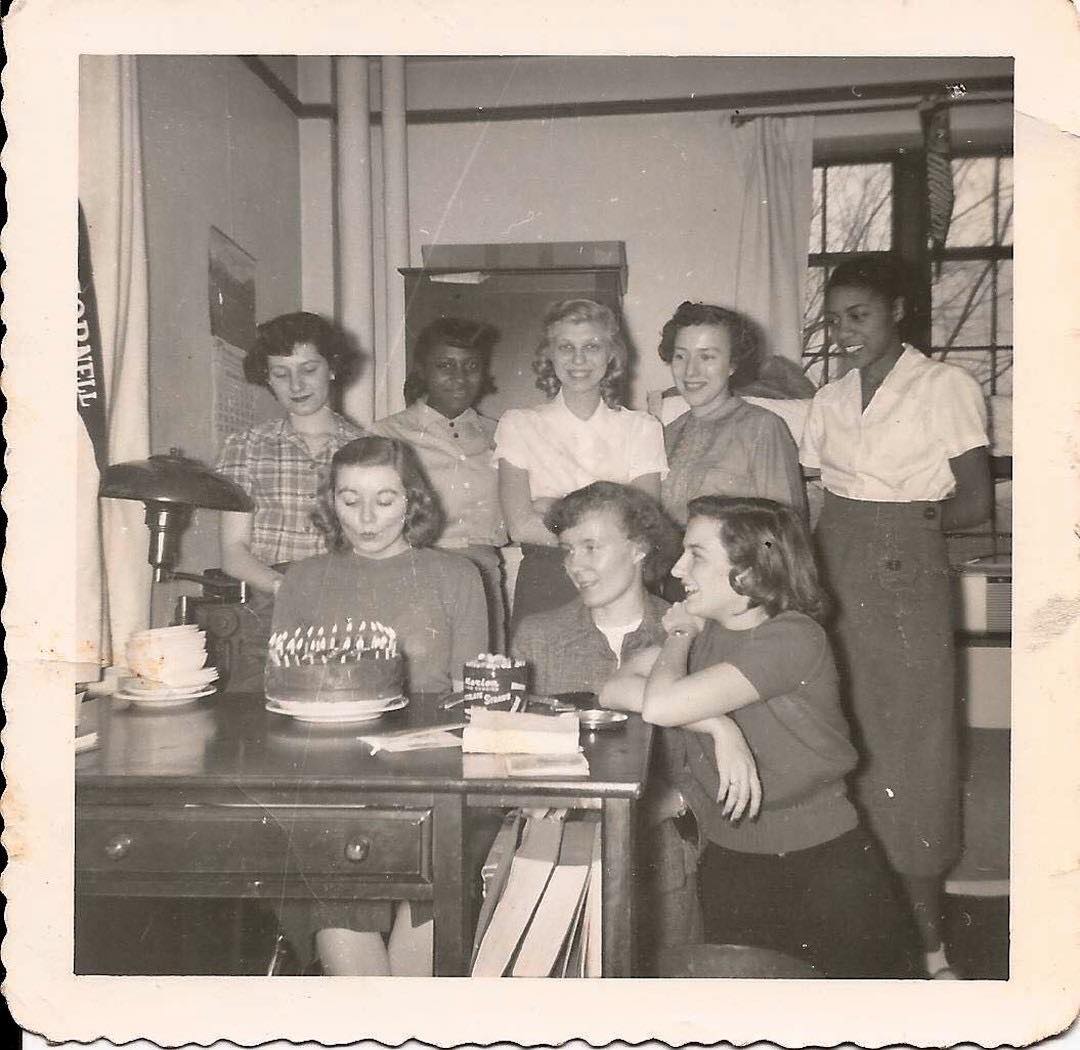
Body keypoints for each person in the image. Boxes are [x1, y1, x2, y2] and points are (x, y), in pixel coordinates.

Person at [608, 496, 916, 978]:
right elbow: (614, 687)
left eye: (696, 555)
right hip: (732, 860)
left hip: (821, 866)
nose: (677, 568)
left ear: (749, 572)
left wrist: (679, 636)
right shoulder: (712, 630)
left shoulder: (793, 637)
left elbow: (660, 705)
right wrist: (716, 724)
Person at [799, 255, 992, 980]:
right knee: (838, 735)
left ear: (898, 311)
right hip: (834, 567)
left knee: (913, 749)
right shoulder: (828, 399)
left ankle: (930, 944)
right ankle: (856, 928)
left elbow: (975, 502)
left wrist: (907, 529)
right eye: (834, 318)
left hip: (907, 577)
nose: (843, 331)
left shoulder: (944, 386)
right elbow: (818, 498)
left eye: (860, 315)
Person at [272, 435, 488, 975]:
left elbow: (474, 699)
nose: (366, 518)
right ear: (331, 502)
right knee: (346, 935)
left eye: (385, 499)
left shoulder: (458, 576)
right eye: (350, 500)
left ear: (413, 500)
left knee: (432, 919)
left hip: (431, 782)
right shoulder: (302, 580)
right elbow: (283, 695)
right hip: (330, 782)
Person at [495, 298, 668, 635]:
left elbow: (642, 526)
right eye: (565, 347)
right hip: (547, 582)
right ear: (549, 354)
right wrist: (608, 523)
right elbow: (520, 527)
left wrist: (551, 508)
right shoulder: (519, 424)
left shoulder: (642, 428)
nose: (578, 359)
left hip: (620, 583)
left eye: (592, 346)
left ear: (611, 354)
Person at [372, 317, 508, 650]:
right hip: (415, 573)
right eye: (445, 365)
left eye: (471, 366)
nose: (459, 378)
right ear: (422, 370)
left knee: (484, 673)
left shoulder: (502, 435)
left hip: (484, 576)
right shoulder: (387, 434)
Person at [215, 311, 365, 597]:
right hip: (267, 599)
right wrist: (285, 589)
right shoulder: (244, 447)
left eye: (309, 370)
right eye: (281, 374)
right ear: (268, 379)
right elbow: (234, 551)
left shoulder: (367, 449)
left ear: (332, 368)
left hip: (345, 597)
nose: (296, 385)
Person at [658, 301, 807, 527]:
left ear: (732, 365)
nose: (690, 371)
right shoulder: (667, 433)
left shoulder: (762, 428)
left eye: (707, 357)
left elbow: (786, 530)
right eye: (680, 356)